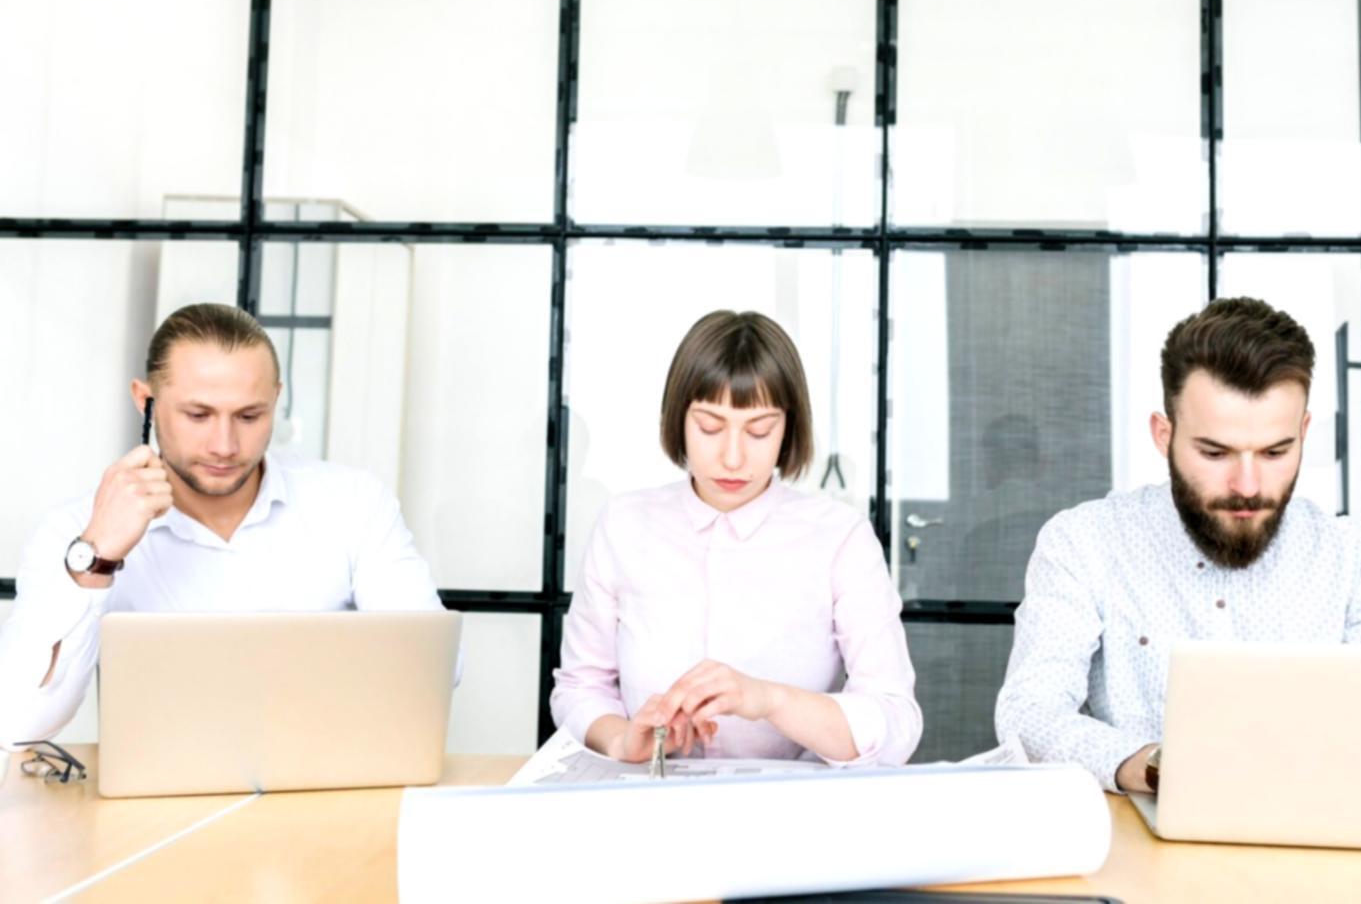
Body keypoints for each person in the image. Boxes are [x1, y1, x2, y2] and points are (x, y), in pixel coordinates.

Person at [994, 297, 1361, 793]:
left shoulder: (1349, 554)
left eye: (1275, 451)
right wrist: (1156, 767)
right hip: (1143, 834)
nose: (1247, 485)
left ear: (1304, 433)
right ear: (1164, 435)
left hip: (1321, 832)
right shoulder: (1085, 543)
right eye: (1215, 452)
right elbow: (1029, 711)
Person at [0, 303, 446, 747]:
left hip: (325, 788)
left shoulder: (353, 503)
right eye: (198, 415)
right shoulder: (76, 530)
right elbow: (18, 724)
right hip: (154, 808)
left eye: (250, 416)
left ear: (276, 399)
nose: (225, 445)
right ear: (145, 401)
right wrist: (96, 559)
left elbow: (435, 666)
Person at [551, 310, 922, 767]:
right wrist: (621, 740)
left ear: (789, 428)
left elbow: (896, 722)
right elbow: (579, 687)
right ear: (678, 420)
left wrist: (768, 700)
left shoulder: (839, 536)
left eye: (759, 430)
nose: (732, 456)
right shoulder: (625, 524)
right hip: (652, 798)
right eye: (709, 427)